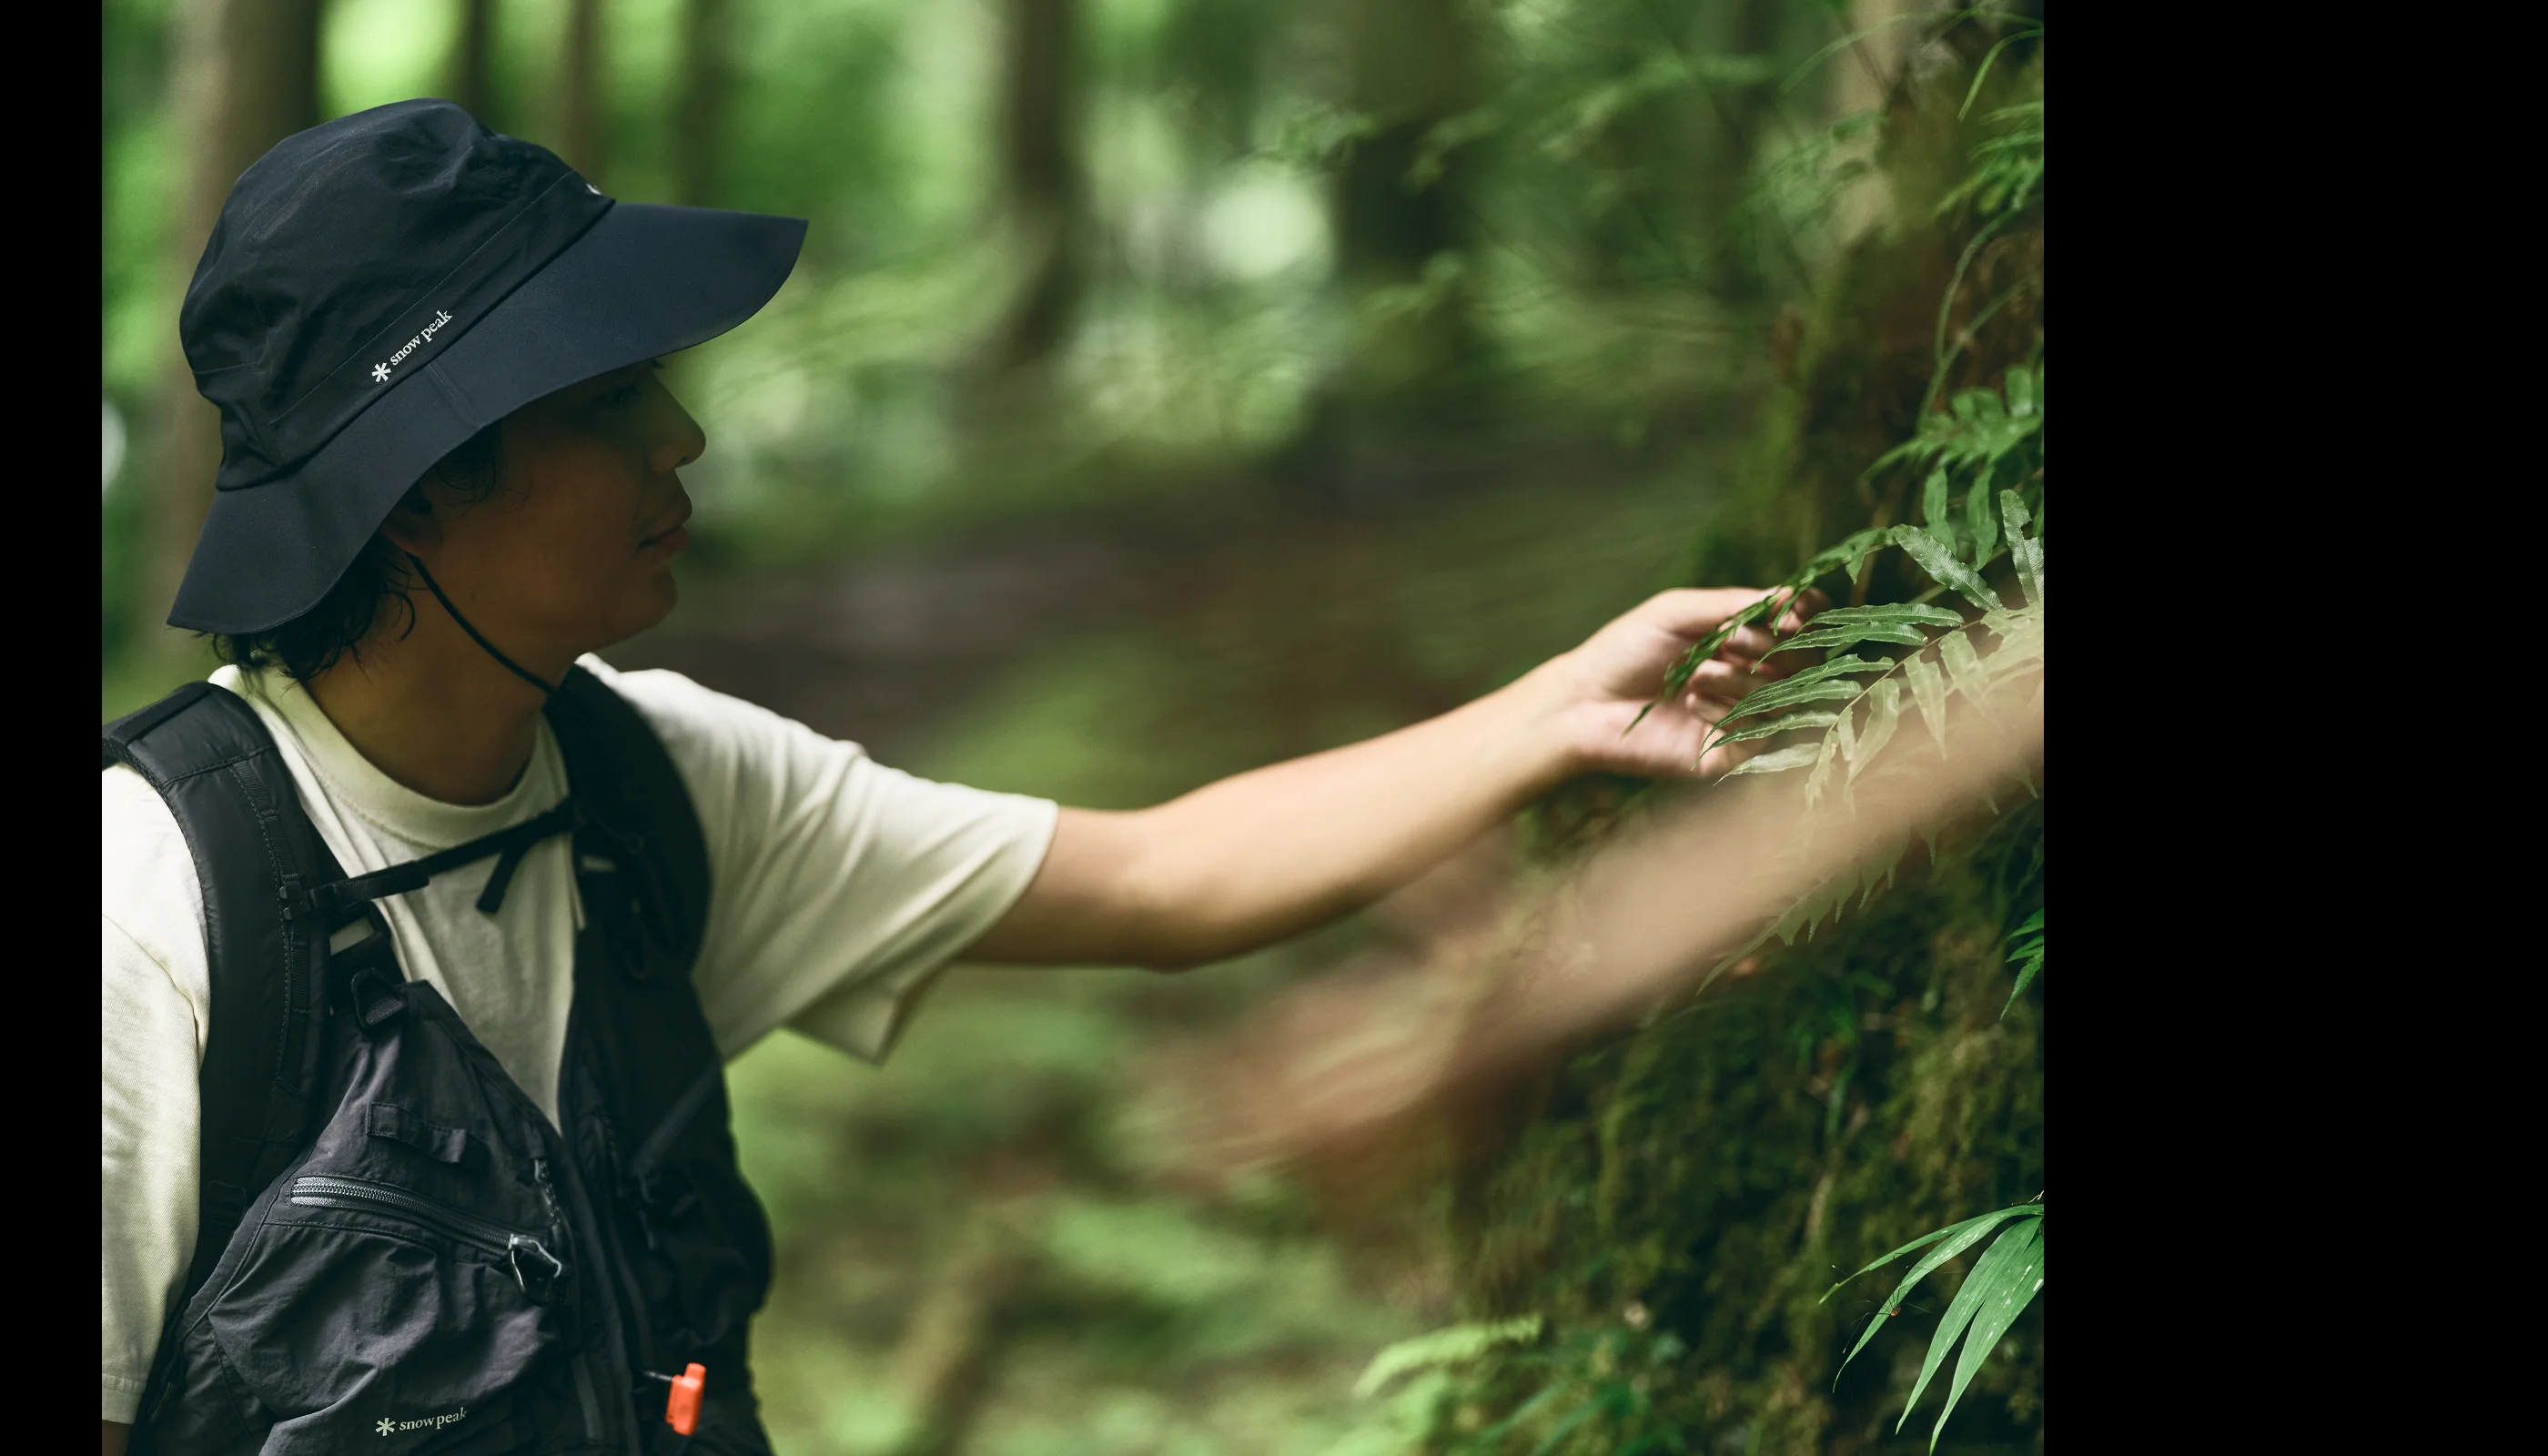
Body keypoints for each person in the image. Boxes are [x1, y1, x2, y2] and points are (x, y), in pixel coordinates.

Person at [100, 101, 1817, 1455]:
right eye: (611, 403)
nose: (681, 440)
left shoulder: (650, 790)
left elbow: (1159, 879)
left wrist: (1561, 707)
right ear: (416, 493)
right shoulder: (151, 910)